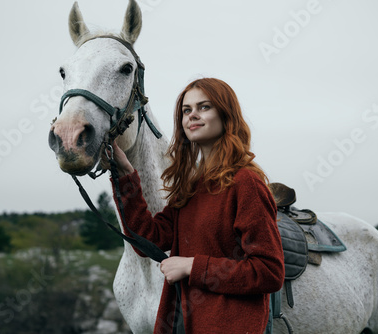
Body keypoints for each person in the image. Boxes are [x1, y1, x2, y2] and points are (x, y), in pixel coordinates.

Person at [111, 78, 285, 334]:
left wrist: (191, 266)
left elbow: (269, 271)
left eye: (204, 107)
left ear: (226, 115)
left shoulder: (245, 182)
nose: (193, 115)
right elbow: (148, 240)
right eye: (186, 110)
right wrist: (126, 175)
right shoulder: (192, 186)